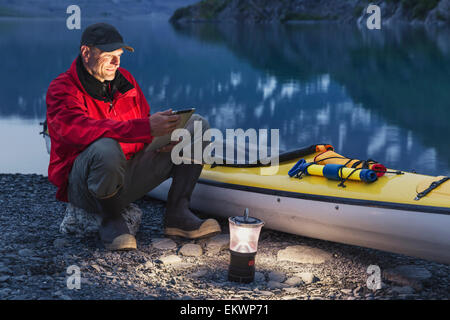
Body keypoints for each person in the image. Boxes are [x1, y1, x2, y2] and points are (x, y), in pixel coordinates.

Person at [46, 23, 221, 251]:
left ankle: (178, 213)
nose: (116, 63)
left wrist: (161, 142)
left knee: (196, 125)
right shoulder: (62, 89)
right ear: (86, 53)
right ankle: (111, 220)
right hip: (86, 187)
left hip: (127, 175)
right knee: (105, 147)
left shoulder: (125, 80)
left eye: (118, 56)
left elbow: (140, 126)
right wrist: (145, 129)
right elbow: (80, 132)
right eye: (109, 56)